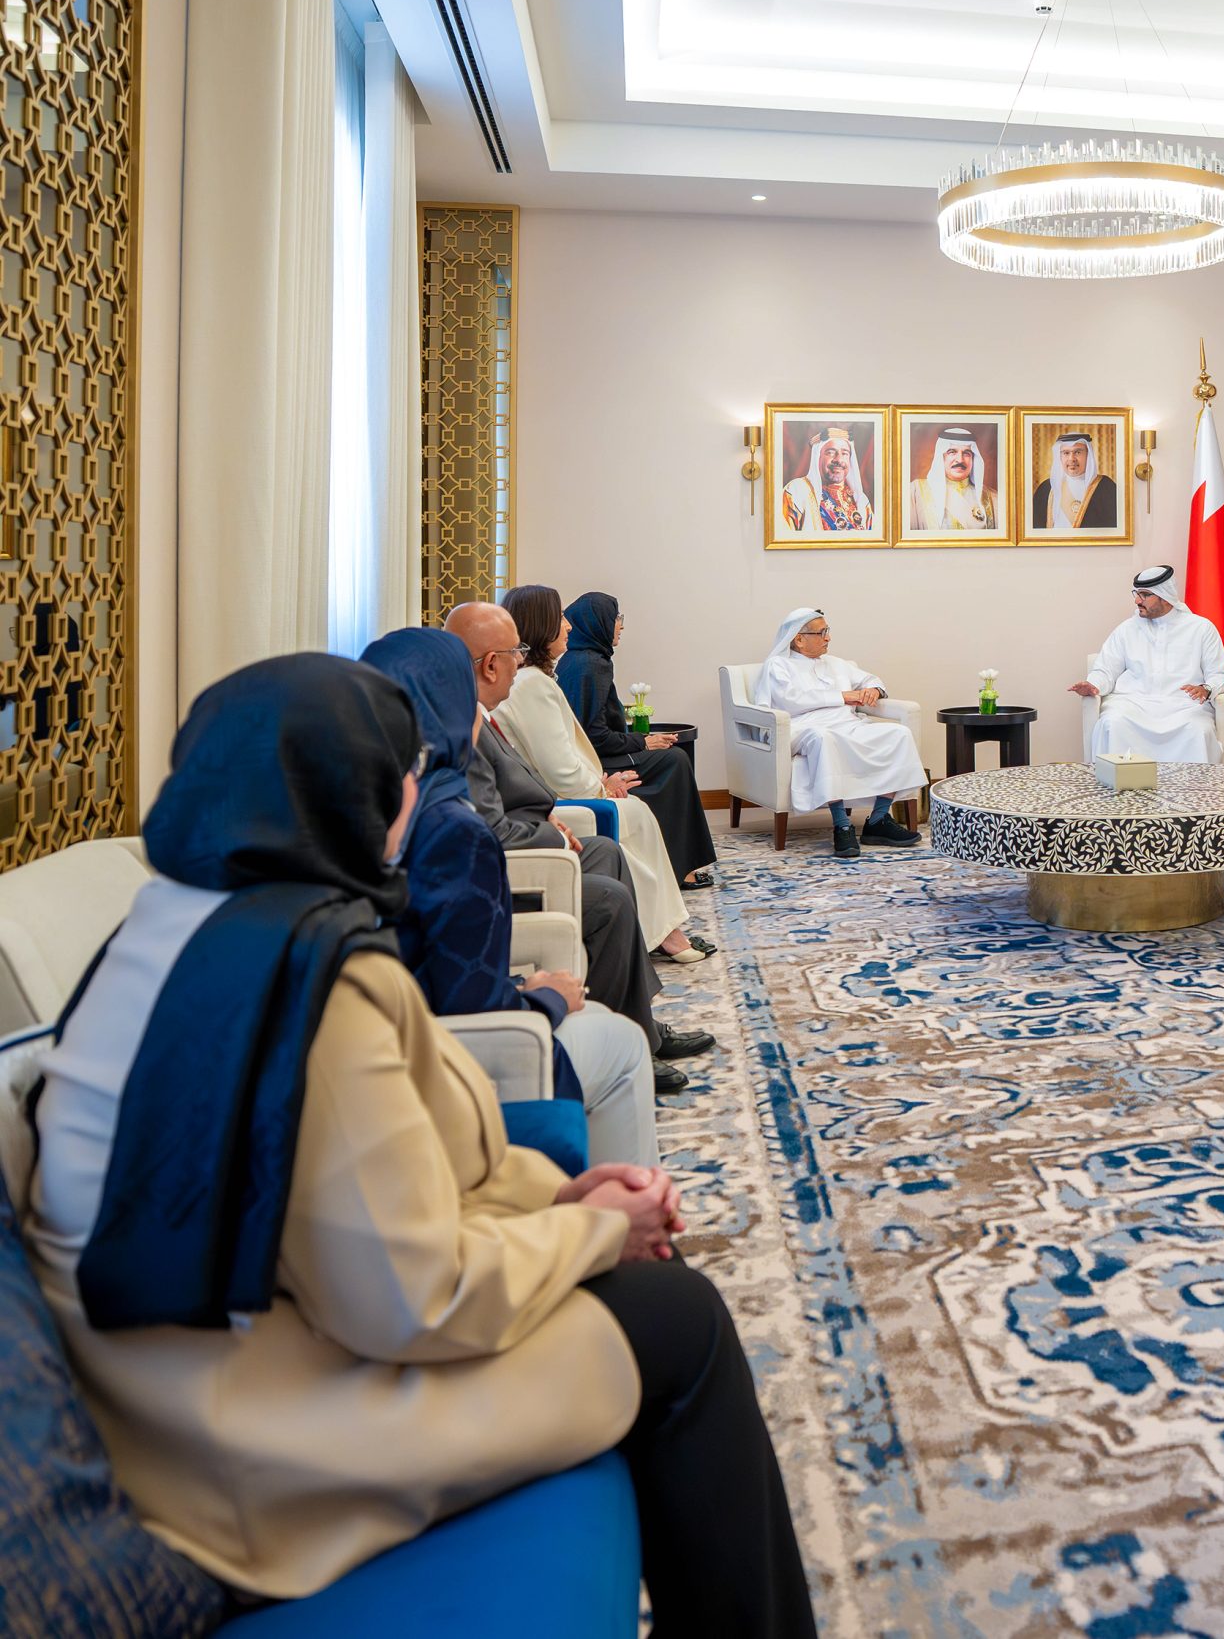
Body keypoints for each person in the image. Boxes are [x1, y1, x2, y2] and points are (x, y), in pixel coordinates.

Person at [22, 654, 816, 1637]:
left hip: (176, 1397)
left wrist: (558, 1204)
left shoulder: (163, 926)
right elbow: (409, 1295)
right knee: (682, 1321)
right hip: (268, 1440)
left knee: (649, 1292)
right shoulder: (315, 976)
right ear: (344, 788)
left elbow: (334, 1199)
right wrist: (594, 1232)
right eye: (402, 769)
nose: (413, 789)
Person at [361, 628, 661, 1167]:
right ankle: (620, 1217)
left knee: (607, 866)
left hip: (380, 1060)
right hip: (446, 1073)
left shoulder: (348, 796)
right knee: (619, 1044)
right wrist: (542, 995)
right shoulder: (441, 821)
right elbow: (465, 997)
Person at [449, 602, 709, 1097]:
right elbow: (491, 821)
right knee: (608, 894)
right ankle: (631, 1040)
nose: (520, 659)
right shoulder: (465, 728)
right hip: (516, 860)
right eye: (514, 652)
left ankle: (642, 1023)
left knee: (607, 854)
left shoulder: (482, 711)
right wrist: (554, 825)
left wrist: (548, 815)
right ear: (490, 663)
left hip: (539, 824)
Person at [494, 583, 714, 964]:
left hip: (564, 787)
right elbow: (561, 769)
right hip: (559, 798)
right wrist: (603, 785)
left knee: (641, 811)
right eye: (560, 618)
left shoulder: (538, 678)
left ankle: (665, 929)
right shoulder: (534, 685)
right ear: (542, 625)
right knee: (639, 808)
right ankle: (665, 932)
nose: (568, 626)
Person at [554, 592, 719, 887]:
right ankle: (681, 869)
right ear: (599, 622)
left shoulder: (577, 659)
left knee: (671, 756)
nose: (620, 626)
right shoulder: (593, 664)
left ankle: (674, 863)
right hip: (596, 761)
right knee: (674, 761)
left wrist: (641, 740)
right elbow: (596, 736)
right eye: (617, 618)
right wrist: (643, 742)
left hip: (591, 754)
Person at [750, 609, 929, 858]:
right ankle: (841, 826)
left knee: (898, 734)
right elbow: (789, 700)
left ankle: (877, 821)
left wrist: (873, 690)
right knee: (825, 739)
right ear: (798, 639)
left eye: (827, 631)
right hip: (805, 727)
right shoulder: (778, 665)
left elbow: (871, 679)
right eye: (821, 632)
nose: (828, 638)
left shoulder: (835, 663)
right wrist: (842, 696)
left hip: (847, 723)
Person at [1070, 565, 1224, 762]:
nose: (1137, 601)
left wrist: (1206, 688)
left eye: (1145, 595)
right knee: (1113, 723)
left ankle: (1190, 793)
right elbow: (1105, 669)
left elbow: (1220, 676)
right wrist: (1093, 685)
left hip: (1183, 707)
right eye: (1136, 594)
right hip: (1133, 704)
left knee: (1197, 731)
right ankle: (1116, 792)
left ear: (1165, 596)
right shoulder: (1127, 629)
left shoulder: (1201, 629)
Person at [779, 426, 873, 535]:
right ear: (817, 456)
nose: (839, 459)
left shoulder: (861, 500)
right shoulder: (797, 491)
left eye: (845, 453)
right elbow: (784, 539)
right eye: (831, 452)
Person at [904, 426, 1000, 532]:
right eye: (952, 452)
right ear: (941, 457)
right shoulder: (915, 492)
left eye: (966, 453)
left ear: (973, 459)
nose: (960, 459)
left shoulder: (992, 498)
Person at [1031, 430, 1119, 531]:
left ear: (1088, 455)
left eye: (1077, 452)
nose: (1072, 459)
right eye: (1066, 453)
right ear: (1059, 456)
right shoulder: (1046, 489)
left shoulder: (1106, 487)